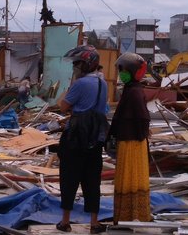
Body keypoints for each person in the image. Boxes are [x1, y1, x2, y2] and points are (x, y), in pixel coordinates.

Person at [56, 45, 108, 234]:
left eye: (77, 64)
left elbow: (63, 106)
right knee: (92, 180)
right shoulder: (104, 83)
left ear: (86, 65)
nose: (74, 68)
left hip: (75, 137)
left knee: (69, 179)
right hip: (95, 138)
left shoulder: (80, 84)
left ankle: (65, 222)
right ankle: (94, 223)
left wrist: (71, 87)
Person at [108, 52, 152, 223]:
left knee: (131, 179)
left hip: (133, 143)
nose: (121, 74)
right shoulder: (130, 90)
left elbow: (143, 118)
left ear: (132, 71)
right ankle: (126, 215)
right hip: (128, 142)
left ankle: (132, 215)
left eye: (123, 70)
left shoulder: (134, 92)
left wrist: (136, 136)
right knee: (126, 179)